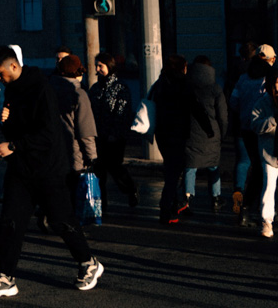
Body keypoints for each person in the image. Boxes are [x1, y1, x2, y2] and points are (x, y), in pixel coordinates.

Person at [0, 46, 103, 298]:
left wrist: (13, 145)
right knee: (10, 222)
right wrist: (7, 123)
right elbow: (18, 129)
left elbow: (47, 134)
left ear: (13, 66)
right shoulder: (12, 89)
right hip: (21, 169)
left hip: (48, 168)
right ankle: (5, 277)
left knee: (61, 220)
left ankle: (88, 263)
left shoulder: (40, 88)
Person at [86, 53, 138, 207]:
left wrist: (115, 133)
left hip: (115, 136)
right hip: (98, 135)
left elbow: (122, 112)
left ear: (110, 66)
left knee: (115, 167)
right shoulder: (95, 88)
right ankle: (102, 204)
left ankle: (130, 189)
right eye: (96, 65)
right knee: (99, 170)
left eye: (100, 65)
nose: (97, 69)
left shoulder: (120, 87)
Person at [49, 54, 98, 207]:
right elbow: (85, 130)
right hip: (73, 152)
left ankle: (47, 213)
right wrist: (92, 156)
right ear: (79, 73)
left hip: (52, 149)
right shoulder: (79, 94)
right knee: (73, 193)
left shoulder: (49, 90)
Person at [181, 58, 228, 213]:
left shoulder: (187, 88)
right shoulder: (215, 89)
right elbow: (222, 116)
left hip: (190, 133)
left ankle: (187, 198)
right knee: (213, 166)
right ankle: (215, 197)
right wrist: (223, 133)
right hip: (211, 134)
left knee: (190, 167)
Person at [150, 55, 192, 225]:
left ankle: (172, 206)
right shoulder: (184, 84)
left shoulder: (160, 83)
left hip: (162, 132)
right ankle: (167, 208)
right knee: (174, 172)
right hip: (178, 132)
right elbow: (193, 106)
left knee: (171, 169)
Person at [229, 51, 270, 225]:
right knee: (266, 169)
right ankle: (264, 208)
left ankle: (246, 209)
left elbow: (233, 102)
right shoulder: (268, 79)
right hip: (266, 128)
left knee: (255, 167)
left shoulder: (243, 79)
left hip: (246, 128)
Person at [248, 68, 278, 239]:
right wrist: (273, 120)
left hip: (270, 149)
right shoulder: (263, 103)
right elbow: (255, 125)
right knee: (269, 186)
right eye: (275, 82)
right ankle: (267, 221)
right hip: (269, 150)